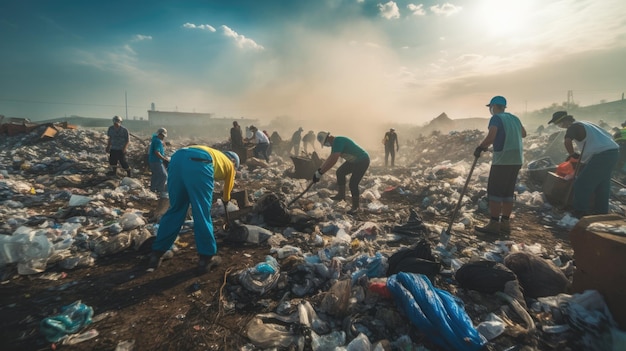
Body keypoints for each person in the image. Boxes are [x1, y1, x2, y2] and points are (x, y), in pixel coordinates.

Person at [148, 146, 240, 273]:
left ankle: (156, 254)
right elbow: (227, 192)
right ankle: (207, 259)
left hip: (176, 159)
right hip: (200, 162)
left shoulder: (216, 154)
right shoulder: (230, 165)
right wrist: (225, 201)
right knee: (201, 212)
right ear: (234, 161)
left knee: (176, 209)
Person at [548, 111, 619, 218]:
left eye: (559, 124)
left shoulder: (572, 127)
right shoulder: (585, 123)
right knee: (602, 185)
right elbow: (605, 136)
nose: (560, 126)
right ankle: (601, 212)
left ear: (565, 121)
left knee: (581, 184)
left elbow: (567, 141)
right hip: (613, 152)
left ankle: (580, 212)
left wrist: (572, 154)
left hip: (601, 155)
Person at [474, 96, 527, 236]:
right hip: (517, 160)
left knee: (495, 192)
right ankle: (505, 223)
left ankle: (493, 224)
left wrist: (480, 147)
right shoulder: (515, 119)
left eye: (490, 107)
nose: (490, 110)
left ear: (494, 106)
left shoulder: (496, 118)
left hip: (503, 159)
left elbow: (491, 137)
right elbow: (524, 134)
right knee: (508, 193)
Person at [312, 131, 370, 214]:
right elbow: (329, 158)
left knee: (353, 183)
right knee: (340, 172)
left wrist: (321, 173)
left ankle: (356, 207)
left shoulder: (338, 141)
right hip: (353, 161)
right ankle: (341, 195)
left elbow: (333, 160)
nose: (326, 145)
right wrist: (319, 171)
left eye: (325, 143)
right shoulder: (335, 144)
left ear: (328, 138)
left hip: (362, 160)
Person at [148, 127, 170, 221]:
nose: (163, 138)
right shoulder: (157, 141)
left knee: (156, 175)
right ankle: (160, 190)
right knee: (164, 175)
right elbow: (156, 152)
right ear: (160, 134)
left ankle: (153, 189)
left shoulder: (156, 140)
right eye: (163, 136)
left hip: (153, 161)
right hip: (156, 161)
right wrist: (164, 159)